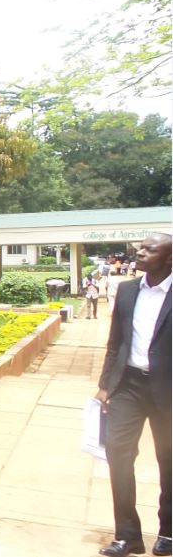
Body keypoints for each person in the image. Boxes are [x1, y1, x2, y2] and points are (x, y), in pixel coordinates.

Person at [94, 233, 171, 557]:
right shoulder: (127, 291)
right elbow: (115, 342)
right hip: (128, 385)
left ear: (168, 259)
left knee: (168, 461)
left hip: (167, 389)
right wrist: (104, 385)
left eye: (149, 250)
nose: (139, 253)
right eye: (140, 248)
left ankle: (168, 532)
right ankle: (128, 535)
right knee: (118, 455)